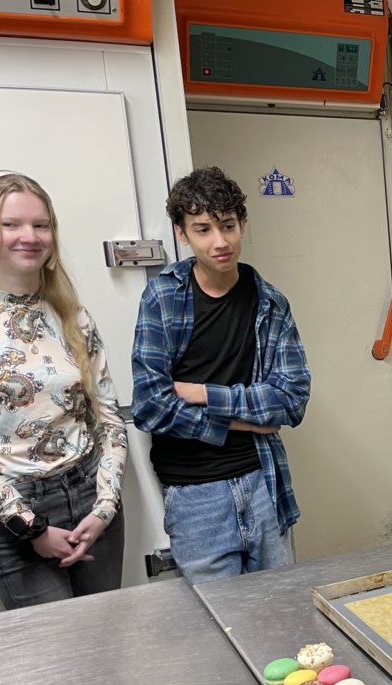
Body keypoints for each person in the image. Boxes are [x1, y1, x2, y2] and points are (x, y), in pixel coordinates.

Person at [0, 171, 127, 608]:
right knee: (51, 645)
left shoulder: (72, 315)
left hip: (91, 498)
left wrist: (105, 507)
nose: (30, 236)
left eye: (41, 225)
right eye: (11, 224)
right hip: (12, 512)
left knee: (107, 631)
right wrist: (29, 526)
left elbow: (109, 419)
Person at [132, 166, 310, 584]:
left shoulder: (270, 302)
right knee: (217, 616)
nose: (220, 241)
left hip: (263, 480)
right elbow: (150, 407)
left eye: (228, 225)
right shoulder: (163, 297)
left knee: (280, 606)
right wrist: (241, 421)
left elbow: (291, 400)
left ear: (242, 224)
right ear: (181, 233)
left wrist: (203, 393)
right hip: (195, 493)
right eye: (203, 229)